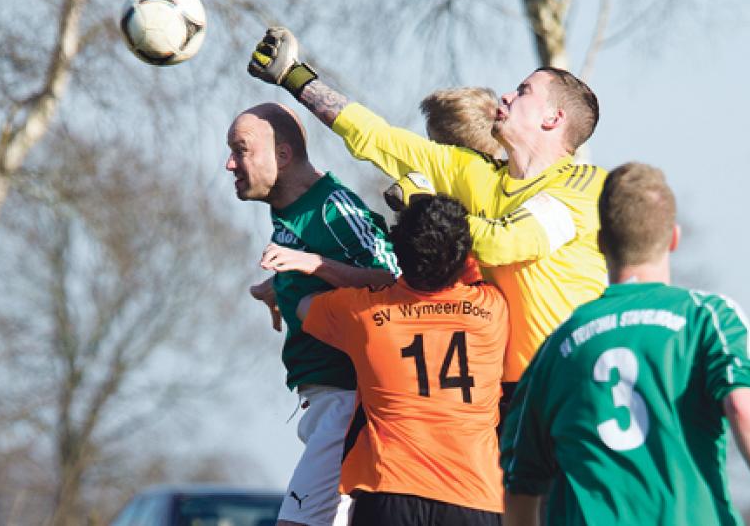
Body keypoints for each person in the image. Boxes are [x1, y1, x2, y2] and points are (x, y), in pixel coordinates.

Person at [247, 27, 607, 405]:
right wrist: (293, 76)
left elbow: (505, 243)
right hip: (507, 393)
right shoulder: (476, 172)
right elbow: (377, 138)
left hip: (574, 381)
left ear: (553, 118)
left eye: (523, 91)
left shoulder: (581, 186)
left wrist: (423, 201)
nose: (507, 95)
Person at [499, 163, 750, 526]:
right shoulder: (705, 318)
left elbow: (521, 482)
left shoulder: (559, 343)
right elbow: (743, 405)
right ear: (674, 238)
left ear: (600, 243)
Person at [226, 102, 400, 526]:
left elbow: (392, 280)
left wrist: (312, 267)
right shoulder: (288, 209)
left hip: (347, 398)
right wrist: (282, 288)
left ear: (282, 156)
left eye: (241, 150)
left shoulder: (333, 207)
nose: (230, 163)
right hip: (325, 402)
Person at [296, 194, 508, 526]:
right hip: (475, 494)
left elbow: (304, 305)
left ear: (399, 253)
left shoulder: (364, 313)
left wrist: (325, 267)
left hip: (390, 490)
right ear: (464, 253)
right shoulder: (493, 309)